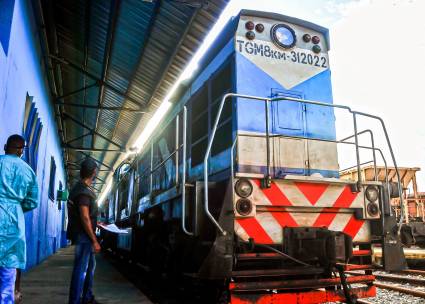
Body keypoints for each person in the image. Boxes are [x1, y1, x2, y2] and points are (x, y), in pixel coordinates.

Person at [0, 135, 38, 304]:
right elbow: (32, 201)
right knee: (9, 270)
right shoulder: (28, 171)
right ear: (21, 151)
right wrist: (15, 208)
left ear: (5, 147)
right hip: (14, 221)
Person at [68, 158, 101, 304]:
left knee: (89, 266)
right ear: (94, 172)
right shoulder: (83, 191)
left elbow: (87, 216)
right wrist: (94, 240)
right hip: (84, 236)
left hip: (83, 234)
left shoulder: (79, 188)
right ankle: (74, 301)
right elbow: (85, 217)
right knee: (80, 270)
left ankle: (86, 297)